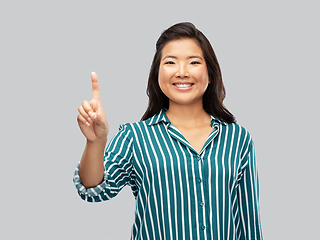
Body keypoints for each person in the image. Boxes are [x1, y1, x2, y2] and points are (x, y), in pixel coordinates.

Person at [74, 22, 263, 240]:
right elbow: (93, 189)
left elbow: (250, 225)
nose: (182, 72)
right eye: (171, 62)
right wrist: (96, 142)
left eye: (193, 62)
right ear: (157, 74)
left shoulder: (238, 139)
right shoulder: (135, 137)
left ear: (210, 74)